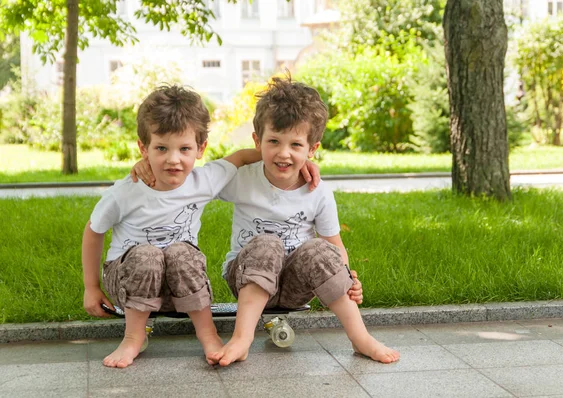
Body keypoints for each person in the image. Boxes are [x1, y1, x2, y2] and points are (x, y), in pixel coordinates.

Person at [207, 76, 400, 366]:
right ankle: (241, 339)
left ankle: (360, 338)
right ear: (257, 141)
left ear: (312, 149)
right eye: (273, 141)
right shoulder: (242, 179)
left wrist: (349, 279)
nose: (283, 153)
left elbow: (335, 244)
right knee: (266, 244)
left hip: (295, 287)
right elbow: (200, 178)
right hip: (248, 277)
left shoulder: (317, 191)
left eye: (296, 144)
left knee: (320, 250)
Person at [82, 85, 266, 369]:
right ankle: (133, 336)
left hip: (178, 288)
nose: (173, 159)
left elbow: (241, 157)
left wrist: (296, 162)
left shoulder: (204, 181)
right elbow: (94, 231)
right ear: (144, 149)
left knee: (182, 252)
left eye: (184, 149)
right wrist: (91, 287)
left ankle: (207, 334)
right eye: (161, 148)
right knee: (147, 254)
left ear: (200, 149)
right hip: (130, 283)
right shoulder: (127, 191)